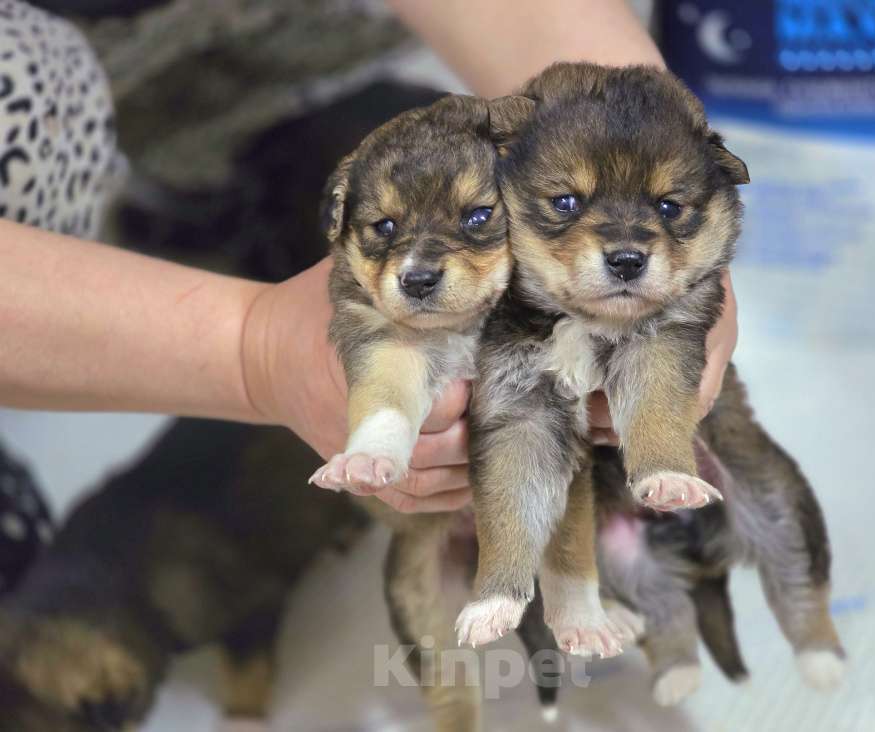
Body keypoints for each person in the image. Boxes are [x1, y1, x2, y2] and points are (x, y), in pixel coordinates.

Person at [0, 0, 737, 515]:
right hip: (47, 91)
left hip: (255, 65)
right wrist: (252, 349)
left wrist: (651, 156)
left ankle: (213, 163)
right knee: (33, 81)